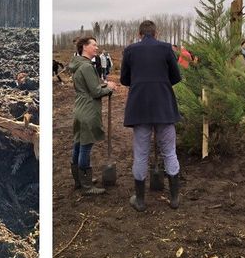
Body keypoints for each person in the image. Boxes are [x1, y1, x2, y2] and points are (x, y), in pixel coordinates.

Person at [121, 20, 182, 211]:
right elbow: (176, 76)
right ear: (156, 33)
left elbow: (124, 79)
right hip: (163, 106)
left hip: (139, 107)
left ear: (140, 33)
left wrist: (140, 82)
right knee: (169, 151)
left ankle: (139, 201)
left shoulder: (130, 50)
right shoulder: (165, 48)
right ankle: (174, 199)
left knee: (141, 153)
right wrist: (161, 83)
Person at [68, 36, 116, 195]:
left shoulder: (78, 64)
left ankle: (79, 181)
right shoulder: (87, 67)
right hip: (88, 110)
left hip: (79, 109)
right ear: (84, 47)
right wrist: (109, 88)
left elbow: (88, 85)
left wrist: (104, 84)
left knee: (77, 144)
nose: (96, 48)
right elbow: (95, 92)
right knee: (85, 148)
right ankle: (87, 187)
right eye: (94, 45)